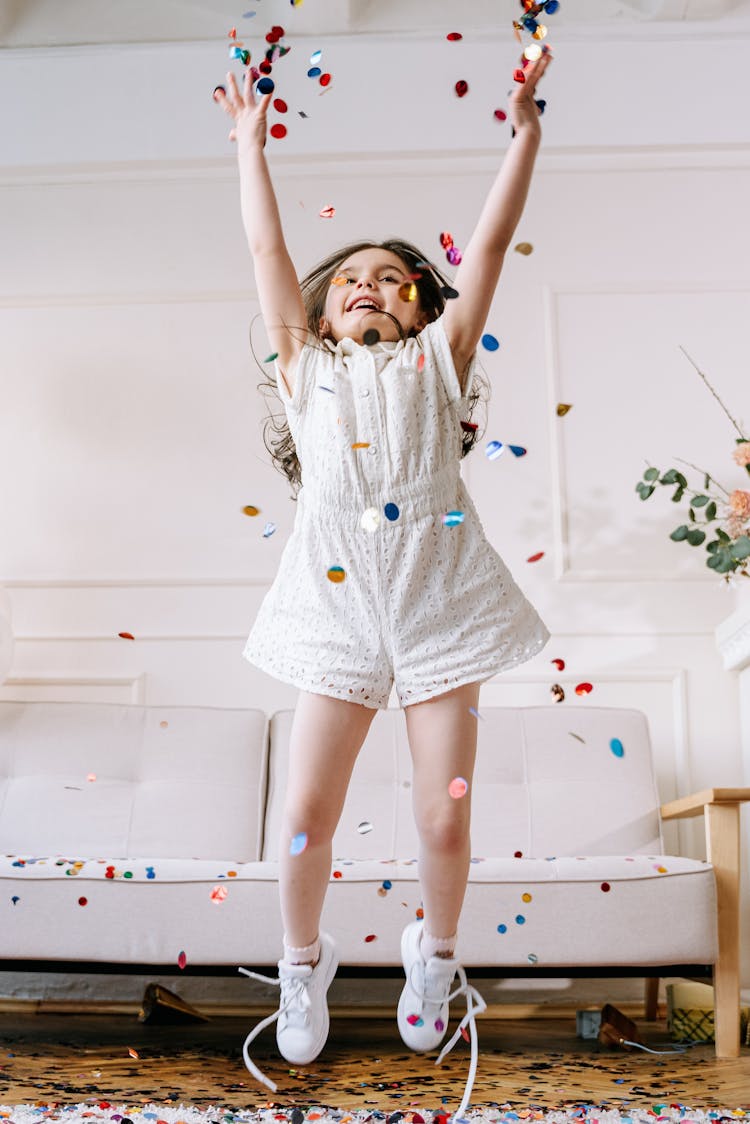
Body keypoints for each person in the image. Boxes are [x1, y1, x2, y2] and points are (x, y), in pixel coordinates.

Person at [214, 47, 551, 1108]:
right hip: (336, 614)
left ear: (417, 306)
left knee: (444, 815)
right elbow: (266, 244)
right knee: (307, 816)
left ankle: (437, 952)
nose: (369, 283)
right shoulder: (304, 370)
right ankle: (302, 960)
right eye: (350, 276)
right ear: (320, 316)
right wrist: (248, 148)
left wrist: (525, 132)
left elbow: (490, 241)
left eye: (391, 278)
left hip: (441, 608)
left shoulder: (438, 361)